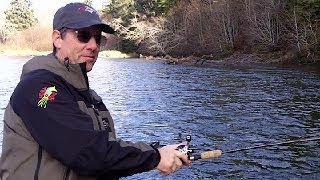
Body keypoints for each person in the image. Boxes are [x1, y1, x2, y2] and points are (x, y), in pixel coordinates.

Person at [0, 2, 190, 180]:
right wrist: (155, 158)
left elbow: (106, 148)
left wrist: (158, 151)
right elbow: (87, 152)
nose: (93, 46)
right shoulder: (41, 89)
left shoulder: (92, 99)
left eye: (97, 38)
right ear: (57, 39)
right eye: (83, 35)